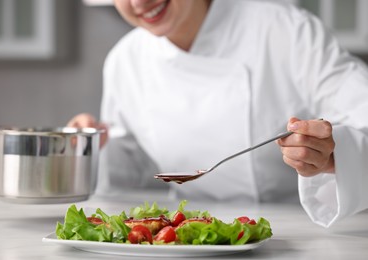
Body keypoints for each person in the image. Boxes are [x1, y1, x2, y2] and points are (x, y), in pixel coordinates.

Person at [68, 0, 368, 227]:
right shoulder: (125, 60)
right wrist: (91, 147)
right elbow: (125, 176)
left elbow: (362, 112)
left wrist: (333, 155)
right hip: (186, 235)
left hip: (298, 231)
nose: (139, 3)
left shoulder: (285, 29)